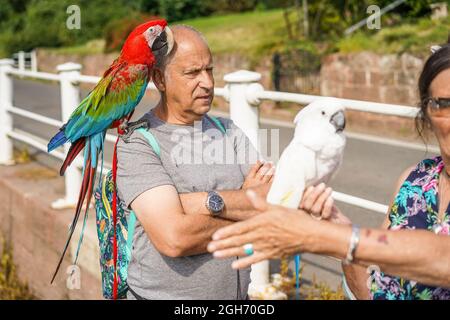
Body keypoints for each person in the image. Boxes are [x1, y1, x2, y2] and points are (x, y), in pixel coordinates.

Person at [207, 41, 450, 300]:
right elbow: (375, 286)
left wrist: (331, 237)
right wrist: (338, 229)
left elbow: (442, 258)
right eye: (444, 103)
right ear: (425, 111)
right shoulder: (413, 181)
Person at [116, 25, 274, 300]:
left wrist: (196, 203)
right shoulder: (138, 143)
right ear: (160, 80)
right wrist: (246, 211)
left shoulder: (229, 130)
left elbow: (273, 203)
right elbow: (174, 239)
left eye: (209, 70)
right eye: (192, 73)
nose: (208, 83)